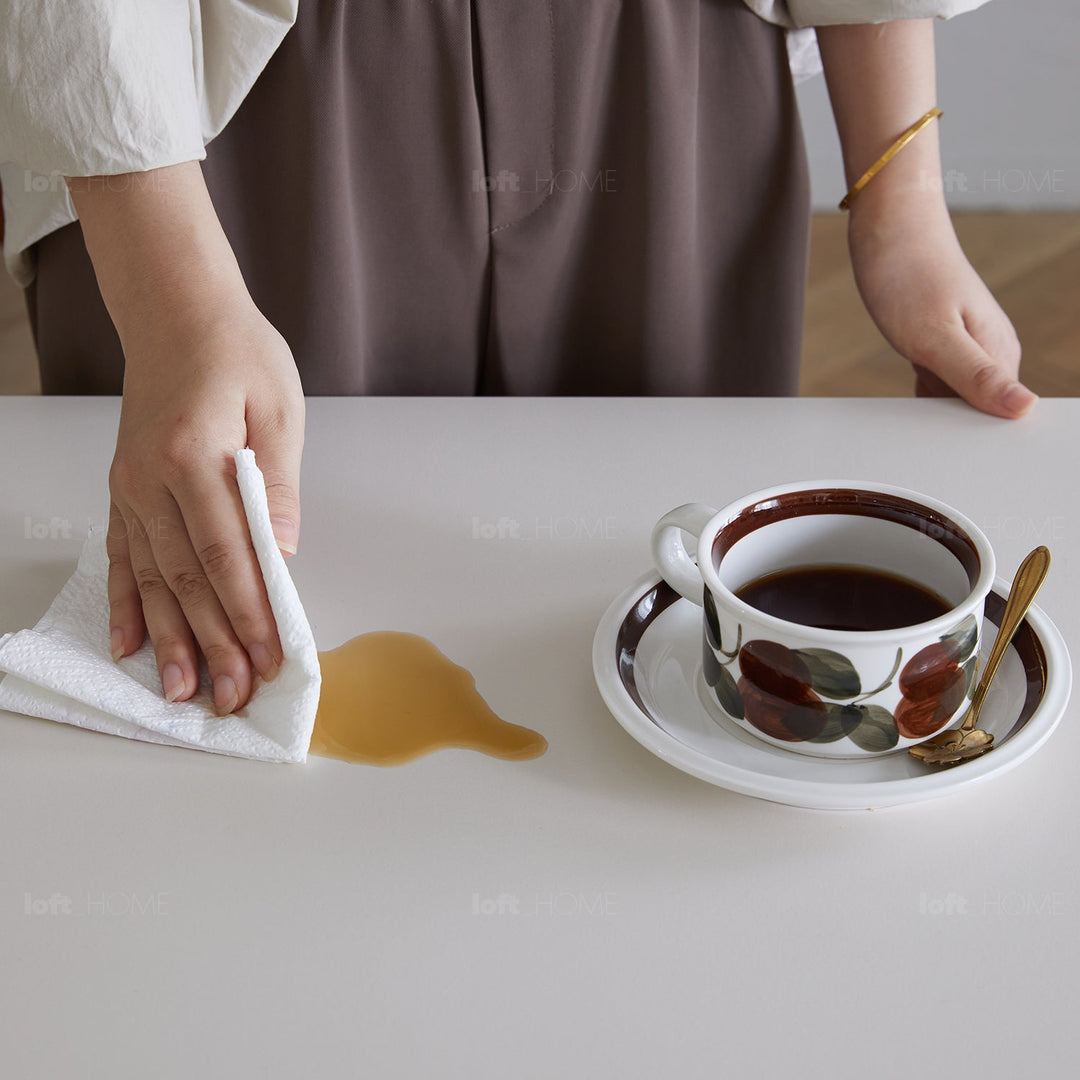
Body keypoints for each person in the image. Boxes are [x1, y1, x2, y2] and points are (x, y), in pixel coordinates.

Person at [0, 0, 1035, 715]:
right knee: (234, 667)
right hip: (230, 97)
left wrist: (900, 192)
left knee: (669, 665)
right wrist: (165, 283)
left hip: (667, 68)